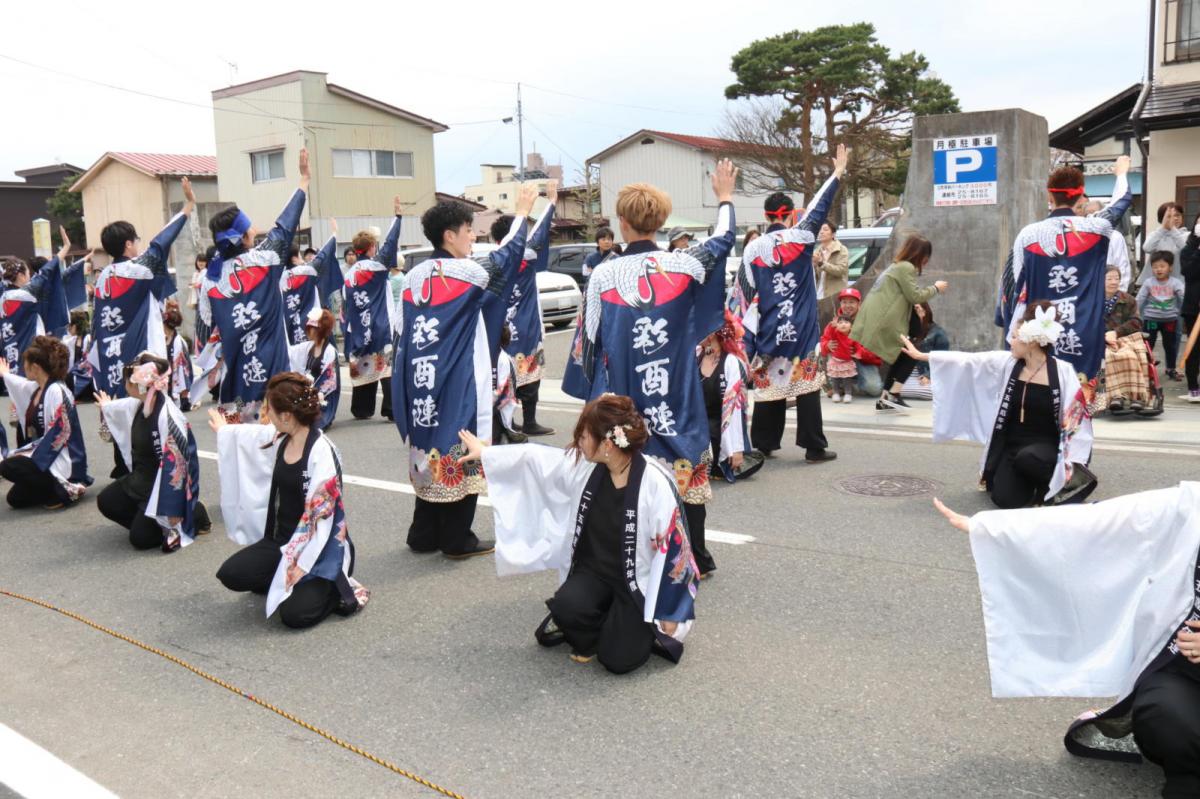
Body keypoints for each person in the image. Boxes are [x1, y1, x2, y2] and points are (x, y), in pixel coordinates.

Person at [932, 488, 1200, 799]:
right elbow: (1102, 522)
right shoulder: (1191, 505)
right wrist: (991, 530)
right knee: (1160, 716)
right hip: (1182, 672)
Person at [574, 160, 738, 585]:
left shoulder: (603, 274)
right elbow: (723, 241)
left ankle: (640, 558)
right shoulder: (683, 266)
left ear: (622, 223)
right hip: (678, 396)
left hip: (625, 398)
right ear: (661, 222)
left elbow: (589, 343)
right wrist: (724, 198)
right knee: (686, 471)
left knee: (630, 475)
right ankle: (694, 555)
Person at [458, 394, 698, 674]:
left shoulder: (655, 483)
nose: (579, 442)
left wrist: (672, 610)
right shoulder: (584, 467)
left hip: (635, 582)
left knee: (618, 661)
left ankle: (621, 624)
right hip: (593, 572)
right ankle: (602, 623)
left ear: (608, 444)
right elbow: (535, 459)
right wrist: (487, 453)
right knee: (566, 607)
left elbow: (677, 549)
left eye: (584, 436)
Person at [391, 184, 538, 559]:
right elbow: (508, 258)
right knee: (461, 443)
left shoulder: (413, 276)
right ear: (450, 235)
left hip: (421, 377)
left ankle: (422, 533)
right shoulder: (466, 272)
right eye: (469, 230)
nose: (473, 237)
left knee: (428, 446)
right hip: (457, 377)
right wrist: (522, 212)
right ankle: (457, 538)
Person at [900, 301, 1094, 509]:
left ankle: (1053, 486)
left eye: (1016, 336)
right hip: (1012, 446)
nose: (1011, 341)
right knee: (1004, 499)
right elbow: (969, 361)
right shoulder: (1007, 363)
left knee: (1029, 458)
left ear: (1032, 342)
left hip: (1046, 447)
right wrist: (924, 356)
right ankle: (1033, 484)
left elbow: (1076, 418)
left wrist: (1075, 459)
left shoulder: (1062, 372)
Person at [210, 372, 368, 629]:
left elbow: (322, 521)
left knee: (294, 615)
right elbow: (251, 437)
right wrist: (226, 431)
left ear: (285, 416)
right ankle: (282, 577)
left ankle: (335, 589)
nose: (265, 415)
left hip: (319, 551)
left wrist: (299, 565)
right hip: (281, 542)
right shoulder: (281, 436)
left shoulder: (322, 452)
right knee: (231, 574)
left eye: (268, 409)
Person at [735, 144, 846, 461]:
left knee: (772, 380)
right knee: (807, 383)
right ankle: (813, 445)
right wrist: (837, 173)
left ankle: (765, 442)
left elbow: (746, 293)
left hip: (771, 324)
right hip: (800, 326)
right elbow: (819, 206)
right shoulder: (802, 236)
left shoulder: (753, 249)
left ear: (767, 216)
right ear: (789, 212)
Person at [200, 149, 309, 423]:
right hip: (273, 370)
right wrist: (304, 181)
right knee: (277, 436)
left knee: (241, 440)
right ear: (246, 234)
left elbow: (207, 322)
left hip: (237, 373)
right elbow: (285, 225)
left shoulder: (210, 278)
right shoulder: (266, 258)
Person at [1004, 156, 1132, 381]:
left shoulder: (1028, 234)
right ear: (1081, 197)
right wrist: (1121, 173)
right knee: (1080, 400)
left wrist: (1012, 330)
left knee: (1042, 394)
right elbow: (1122, 201)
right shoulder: (1097, 227)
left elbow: (1013, 288)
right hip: (1086, 333)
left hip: (1039, 333)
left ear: (1049, 196)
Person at [90, 181, 194, 400]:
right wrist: (188, 206)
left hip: (109, 353)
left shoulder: (101, 279)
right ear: (128, 244)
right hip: (140, 350)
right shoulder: (139, 268)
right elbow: (162, 240)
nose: (138, 244)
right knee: (146, 406)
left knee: (119, 408)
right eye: (136, 240)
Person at [95, 353, 209, 551]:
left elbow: (180, 467)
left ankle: (194, 513)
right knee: (106, 501)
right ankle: (147, 521)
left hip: (162, 487)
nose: (124, 385)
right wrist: (106, 406)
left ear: (140, 384)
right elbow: (117, 409)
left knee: (140, 540)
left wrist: (173, 507)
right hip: (141, 480)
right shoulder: (139, 404)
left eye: (127, 381)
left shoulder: (168, 416)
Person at [852, 234, 947, 412]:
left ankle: (886, 397)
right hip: (887, 320)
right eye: (926, 256)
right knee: (911, 351)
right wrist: (936, 288)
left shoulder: (897, 266)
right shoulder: (906, 267)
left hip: (882, 317)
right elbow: (914, 295)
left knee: (904, 352)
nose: (926, 260)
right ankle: (893, 395)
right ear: (920, 254)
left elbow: (906, 296)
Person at [495, 182, 557, 436]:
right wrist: (551, 201)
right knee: (529, 375)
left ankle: (504, 422)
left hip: (501, 331)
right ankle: (528, 421)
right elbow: (540, 234)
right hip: (526, 325)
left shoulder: (492, 258)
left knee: (502, 376)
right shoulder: (525, 256)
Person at [0, 336, 91, 508]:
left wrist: (28, 454)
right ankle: (51, 488)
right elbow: (18, 385)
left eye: (25, 363)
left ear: (35, 367)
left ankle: (66, 488)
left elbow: (61, 433)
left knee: (8, 465)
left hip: (62, 458)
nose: (22, 367)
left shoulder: (57, 390)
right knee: (15, 499)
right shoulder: (37, 389)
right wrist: (5, 374)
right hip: (44, 454)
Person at [694, 312, 752, 577]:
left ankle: (698, 559)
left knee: (693, 496)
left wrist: (736, 448)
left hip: (716, 429)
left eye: (706, 330)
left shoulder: (731, 363)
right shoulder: (695, 355)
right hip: (693, 430)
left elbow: (734, 409)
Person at [342, 202, 403, 421]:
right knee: (385, 365)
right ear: (371, 248)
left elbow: (345, 304)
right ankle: (390, 409)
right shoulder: (375, 267)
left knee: (363, 364)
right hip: (379, 323)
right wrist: (397, 217)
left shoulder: (349, 275)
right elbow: (391, 244)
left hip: (358, 327)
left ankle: (362, 409)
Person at [1099, 265, 1154, 416]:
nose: (1113, 282)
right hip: (1101, 340)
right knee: (1108, 357)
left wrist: (1116, 333)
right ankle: (1117, 396)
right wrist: (1105, 336)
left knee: (1131, 355)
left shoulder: (1128, 300)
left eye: (1116, 278)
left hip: (1125, 337)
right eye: (1109, 278)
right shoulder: (1093, 300)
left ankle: (1137, 396)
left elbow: (1136, 321)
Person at [281, 223, 340, 347]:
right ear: (294, 258)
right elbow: (323, 256)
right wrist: (334, 234)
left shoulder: (278, 278)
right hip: (309, 327)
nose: (302, 257)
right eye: (299, 254)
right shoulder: (307, 271)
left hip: (286, 331)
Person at [287, 308, 339, 431]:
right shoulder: (307, 347)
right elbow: (290, 353)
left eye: (313, 329)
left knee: (313, 421)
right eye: (309, 328)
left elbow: (330, 379)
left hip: (322, 393)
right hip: (306, 389)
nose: (310, 332)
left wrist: (315, 392)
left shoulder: (330, 351)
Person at [1137, 251, 1185, 381]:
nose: (1158, 269)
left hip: (1170, 320)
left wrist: (1186, 309)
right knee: (1148, 345)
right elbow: (1140, 298)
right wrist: (1135, 312)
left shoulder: (1176, 283)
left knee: (1170, 345)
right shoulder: (1148, 283)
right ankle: (1146, 368)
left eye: (1162, 266)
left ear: (1170, 267)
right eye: (1155, 266)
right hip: (1150, 320)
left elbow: (1183, 297)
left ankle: (1170, 368)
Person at [835, 287, 884, 397]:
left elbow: (877, 350)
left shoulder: (869, 321)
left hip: (863, 360)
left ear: (859, 303)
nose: (847, 305)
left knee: (874, 390)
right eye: (844, 302)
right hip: (840, 360)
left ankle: (852, 385)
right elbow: (825, 340)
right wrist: (828, 345)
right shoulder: (835, 321)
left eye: (851, 302)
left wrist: (860, 353)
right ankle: (837, 384)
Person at [820, 313, 879, 403]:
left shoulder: (854, 335)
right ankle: (836, 392)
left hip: (850, 361)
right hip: (836, 360)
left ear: (851, 326)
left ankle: (848, 392)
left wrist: (859, 353)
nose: (843, 324)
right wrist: (828, 342)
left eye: (846, 322)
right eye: (841, 322)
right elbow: (828, 336)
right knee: (835, 378)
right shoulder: (836, 333)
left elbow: (858, 346)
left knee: (847, 378)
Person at [492, 325, 526, 444]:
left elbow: (505, 389)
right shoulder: (490, 355)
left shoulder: (503, 359)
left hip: (498, 409)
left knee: (495, 441)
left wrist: (488, 403)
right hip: (491, 406)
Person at [1139, 201, 1188, 283]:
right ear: (1162, 218)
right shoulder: (1156, 234)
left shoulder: (1186, 235)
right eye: (1169, 216)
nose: (1175, 218)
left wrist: (1172, 229)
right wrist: (1163, 229)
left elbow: (1186, 250)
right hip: (1154, 284)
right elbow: (1147, 248)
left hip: (1178, 283)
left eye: (1178, 215)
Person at [1180, 214, 1200, 403]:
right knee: (1194, 348)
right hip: (1194, 306)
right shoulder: (1188, 249)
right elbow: (1188, 272)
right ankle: (1193, 387)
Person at [162, 300, 193, 411]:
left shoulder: (179, 342)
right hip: (168, 373)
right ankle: (182, 397)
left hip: (173, 372)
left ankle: (184, 398)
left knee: (181, 369)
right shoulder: (163, 337)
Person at [911, 302, 949, 386]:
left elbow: (942, 359)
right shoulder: (907, 331)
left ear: (925, 311)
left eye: (916, 308)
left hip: (924, 378)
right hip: (904, 379)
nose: (913, 312)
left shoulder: (938, 333)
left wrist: (928, 376)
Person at [812, 221, 849, 301]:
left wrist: (821, 263)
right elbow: (816, 277)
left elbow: (840, 271)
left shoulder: (841, 250)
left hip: (835, 297)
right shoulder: (817, 251)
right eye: (820, 230)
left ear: (833, 234)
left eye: (825, 229)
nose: (821, 232)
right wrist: (814, 266)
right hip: (819, 295)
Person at [63, 309, 95, 401]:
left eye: (70, 326)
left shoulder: (88, 338)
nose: (68, 329)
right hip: (76, 374)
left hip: (86, 376)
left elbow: (87, 360)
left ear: (75, 326)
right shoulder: (72, 340)